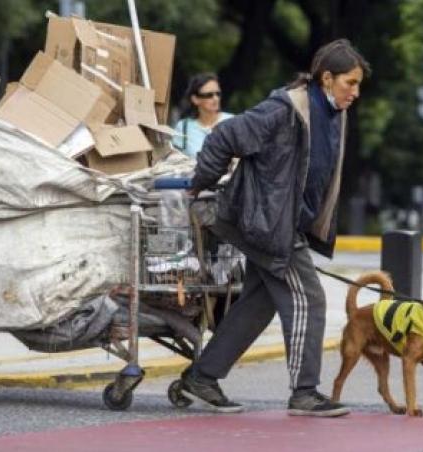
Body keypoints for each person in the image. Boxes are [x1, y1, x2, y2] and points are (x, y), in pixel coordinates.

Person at [181, 39, 370, 417]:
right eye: (350, 82)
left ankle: (201, 377)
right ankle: (304, 392)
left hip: (281, 222)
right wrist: (201, 183)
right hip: (264, 222)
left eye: (358, 84)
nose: (356, 92)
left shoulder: (333, 113)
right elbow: (224, 136)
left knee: (258, 302)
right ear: (326, 78)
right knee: (309, 298)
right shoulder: (284, 109)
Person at [172, 73, 233, 159]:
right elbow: (175, 160)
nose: (215, 98)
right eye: (209, 95)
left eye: (218, 94)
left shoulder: (232, 121)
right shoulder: (183, 127)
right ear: (195, 99)